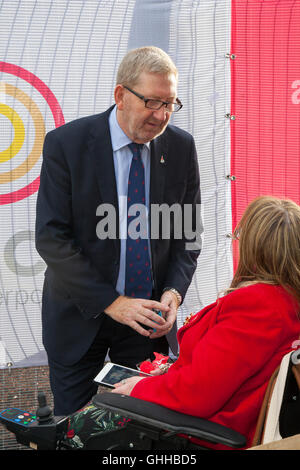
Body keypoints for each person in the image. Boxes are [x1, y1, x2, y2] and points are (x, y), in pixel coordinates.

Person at [35, 46, 202, 416]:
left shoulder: (180, 147)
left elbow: (188, 234)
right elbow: (52, 238)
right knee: (75, 428)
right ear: (120, 95)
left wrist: (173, 293)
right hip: (80, 317)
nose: (161, 116)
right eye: (153, 102)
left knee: (140, 429)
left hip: (147, 323)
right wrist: (113, 303)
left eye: (171, 104)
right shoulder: (67, 144)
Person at [63, 196, 300, 450]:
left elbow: (197, 393)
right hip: (208, 418)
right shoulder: (285, 300)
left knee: (78, 427)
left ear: (255, 247)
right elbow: (219, 373)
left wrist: (140, 387)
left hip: (200, 432)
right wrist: (166, 373)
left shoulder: (257, 306)